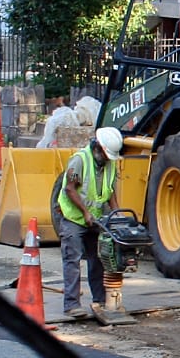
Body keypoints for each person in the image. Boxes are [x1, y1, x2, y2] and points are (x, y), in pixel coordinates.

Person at [52, 126, 123, 319]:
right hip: (73, 218)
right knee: (72, 260)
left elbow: (110, 192)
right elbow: (70, 189)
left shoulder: (109, 164)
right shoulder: (80, 160)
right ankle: (72, 305)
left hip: (95, 219)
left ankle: (100, 300)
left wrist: (117, 215)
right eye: (107, 155)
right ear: (98, 148)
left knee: (99, 259)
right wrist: (84, 212)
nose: (108, 159)